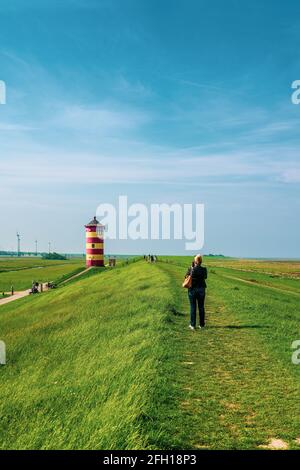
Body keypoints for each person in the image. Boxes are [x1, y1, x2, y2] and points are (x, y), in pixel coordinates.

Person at [185, 254, 207, 330]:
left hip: (192, 289)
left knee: (193, 307)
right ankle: (202, 325)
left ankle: (192, 325)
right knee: (201, 307)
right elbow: (205, 277)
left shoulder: (191, 269)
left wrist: (192, 268)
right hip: (201, 289)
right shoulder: (204, 269)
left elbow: (186, 277)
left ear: (195, 261)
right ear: (201, 261)